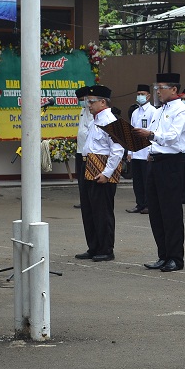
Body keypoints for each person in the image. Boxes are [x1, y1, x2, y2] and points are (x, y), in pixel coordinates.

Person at [132, 73, 185, 272]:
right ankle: (163, 254)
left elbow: (172, 137)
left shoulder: (182, 110)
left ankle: (175, 257)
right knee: (155, 211)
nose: (157, 91)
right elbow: (154, 138)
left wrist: (150, 134)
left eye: (161, 87)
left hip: (171, 163)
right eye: (156, 87)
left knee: (171, 211)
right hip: (155, 162)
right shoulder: (159, 110)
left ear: (174, 89)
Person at [73, 86, 125, 262]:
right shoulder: (95, 120)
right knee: (89, 209)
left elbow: (117, 150)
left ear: (103, 102)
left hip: (102, 168)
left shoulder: (111, 120)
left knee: (102, 210)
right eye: (88, 101)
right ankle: (93, 246)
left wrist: (106, 173)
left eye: (92, 101)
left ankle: (106, 248)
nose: (89, 104)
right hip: (88, 165)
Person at [126, 84, 156, 215]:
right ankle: (139, 204)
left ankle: (149, 205)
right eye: (138, 93)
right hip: (136, 153)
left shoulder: (153, 111)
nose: (140, 96)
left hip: (146, 153)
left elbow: (153, 133)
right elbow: (131, 133)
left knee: (147, 181)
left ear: (148, 96)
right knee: (137, 181)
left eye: (142, 94)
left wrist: (152, 151)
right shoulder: (135, 112)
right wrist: (129, 152)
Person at [73, 86, 91, 210]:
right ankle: (83, 200)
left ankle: (89, 200)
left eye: (81, 99)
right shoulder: (82, 110)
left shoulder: (91, 111)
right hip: (80, 150)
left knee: (87, 178)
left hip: (88, 152)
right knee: (80, 179)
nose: (81, 101)